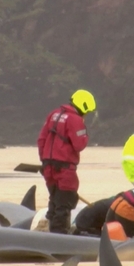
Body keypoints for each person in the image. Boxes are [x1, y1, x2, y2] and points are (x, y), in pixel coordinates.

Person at [37, 89, 96, 234]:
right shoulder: (75, 119)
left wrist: (45, 161)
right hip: (65, 169)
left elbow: (41, 140)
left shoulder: (54, 114)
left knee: (55, 200)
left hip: (48, 168)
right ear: (83, 106)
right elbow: (79, 144)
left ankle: (47, 228)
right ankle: (59, 237)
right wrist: (85, 133)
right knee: (65, 202)